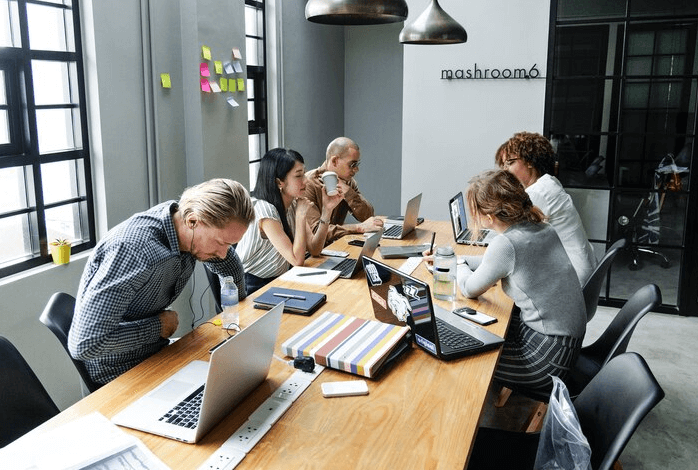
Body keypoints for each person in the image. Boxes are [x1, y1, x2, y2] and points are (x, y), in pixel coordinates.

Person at [69, 178, 256, 386]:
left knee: (239, 382)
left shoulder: (181, 222)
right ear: (193, 221)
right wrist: (158, 327)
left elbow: (229, 265)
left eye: (230, 244)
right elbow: (86, 344)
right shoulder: (133, 251)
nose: (222, 254)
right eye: (220, 243)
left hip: (157, 351)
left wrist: (237, 308)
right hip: (120, 372)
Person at [458, 170, 586, 394]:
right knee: (476, 328)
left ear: (489, 218)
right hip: (566, 345)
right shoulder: (543, 229)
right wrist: (458, 259)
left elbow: (469, 289)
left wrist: (456, 266)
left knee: (464, 356)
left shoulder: (506, 245)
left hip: (548, 359)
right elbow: (494, 262)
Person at [235, 148, 344, 295]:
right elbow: (296, 260)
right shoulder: (265, 210)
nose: (305, 180)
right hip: (253, 285)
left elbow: (315, 249)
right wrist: (300, 217)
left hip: (280, 278)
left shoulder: (293, 203)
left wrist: (327, 210)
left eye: (304, 173)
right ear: (279, 182)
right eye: (298, 175)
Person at [496, 131, 597, 285]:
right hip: (580, 269)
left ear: (530, 161)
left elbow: (510, 239)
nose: (505, 170)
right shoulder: (549, 182)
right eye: (503, 165)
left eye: (510, 163)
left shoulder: (538, 193)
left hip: (573, 279)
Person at [304, 137, 384, 244]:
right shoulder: (308, 184)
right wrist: (357, 228)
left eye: (357, 164)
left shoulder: (348, 182)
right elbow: (315, 231)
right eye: (352, 165)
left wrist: (348, 192)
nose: (356, 169)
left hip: (333, 247)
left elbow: (367, 216)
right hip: (311, 254)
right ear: (334, 161)